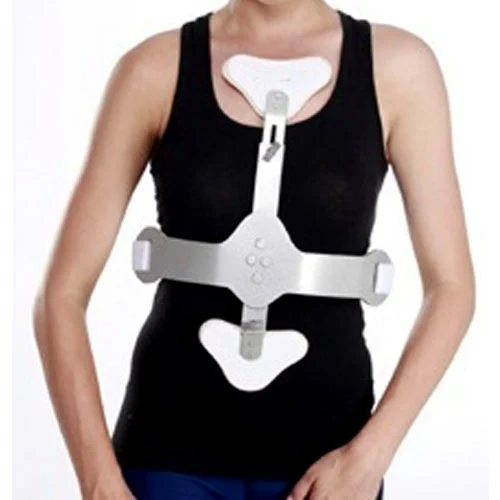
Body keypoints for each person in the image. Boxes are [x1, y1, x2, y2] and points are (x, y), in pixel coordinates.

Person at [32, 0, 476, 499]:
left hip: (329, 467)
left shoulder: (398, 68)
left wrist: (370, 455)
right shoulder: (153, 69)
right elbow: (60, 295)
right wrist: (98, 483)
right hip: (167, 456)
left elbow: (452, 287)